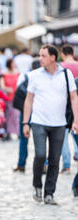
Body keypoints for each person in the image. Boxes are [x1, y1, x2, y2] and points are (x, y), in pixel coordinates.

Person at [22, 44, 78, 205]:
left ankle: (49, 193)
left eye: (43, 55)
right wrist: (25, 122)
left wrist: (76, 120)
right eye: (39, 55)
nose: (40, 58)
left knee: (55, 159)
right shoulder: (34, 75)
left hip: (59, 123)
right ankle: (37, 185)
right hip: (39, 122)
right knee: (40, 155)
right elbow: (29, 99)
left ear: (53, 58)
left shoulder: (66, 74)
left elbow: (74, 97)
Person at [13, 58, 41, 173]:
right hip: (39, 110)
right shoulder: (42, 77)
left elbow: (17, 90)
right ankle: (43, 164)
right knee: (40, 138)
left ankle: (21, 164)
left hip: (25, 110)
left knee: (23, 139)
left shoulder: (25, 76)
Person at [60, 44, 78, 174]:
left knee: (63, 133)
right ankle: (77, 153)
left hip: (64, 103)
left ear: (63, 54)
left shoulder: (61, 67)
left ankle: (66, 164)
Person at [1, 58, 20, 139]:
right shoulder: (4, 74)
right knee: (8, 115)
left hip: (16, 96)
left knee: (16, 115)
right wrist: (7, 89)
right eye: (13, 63)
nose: (14, 64)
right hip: (8, 97)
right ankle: (8, 132)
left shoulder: (18, 73)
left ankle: (18, 132)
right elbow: (2, 86)